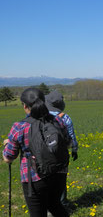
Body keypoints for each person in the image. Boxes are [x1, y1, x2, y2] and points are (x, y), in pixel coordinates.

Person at [2, 88, 69, 217]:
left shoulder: (20, 127)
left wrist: (7, 145)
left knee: (37, 213)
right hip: (59, 172)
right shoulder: (58, 121)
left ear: (25, 106)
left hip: (34, 178)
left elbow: (8, 157)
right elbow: (67, 142)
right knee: (55, 205)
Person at [45, 90, 78, 206]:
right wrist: (74, 149)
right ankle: (62, 204)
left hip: (44, 154)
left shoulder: (40, 116)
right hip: (61, 154)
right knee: (61, 179)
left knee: (46, 179)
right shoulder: (65, 117)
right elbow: (71, 135)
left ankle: (48, 205)